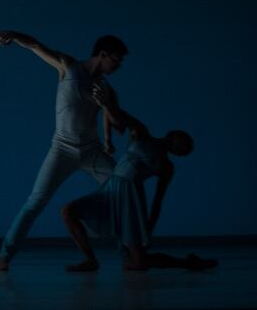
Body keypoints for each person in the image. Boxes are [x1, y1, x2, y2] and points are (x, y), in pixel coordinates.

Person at [0, 32, 128, 270]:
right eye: (116, 60)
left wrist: (106, 103)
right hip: (62, 150)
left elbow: (120, 126)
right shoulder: (69, 67)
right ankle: (4, 257)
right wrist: (12, 35)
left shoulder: (107, 89)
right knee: (35, 202)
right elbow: (36, 45)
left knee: (123, 188)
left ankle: (128, 253)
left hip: (92, 152)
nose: (118, 66)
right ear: (103, 54)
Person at [61, 89, 215, 271]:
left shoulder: (166, 167)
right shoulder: (142, 134)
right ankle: (90, 260)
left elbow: (158, 201)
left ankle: (188, 263)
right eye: (184, 141)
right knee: (68, 211)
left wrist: (147, 229)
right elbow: (117, 116)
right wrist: (106, 108)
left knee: (136, 263)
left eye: (186, 148)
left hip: (130, 200)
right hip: (111, 190)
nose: (184, 146)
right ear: (173, 134)